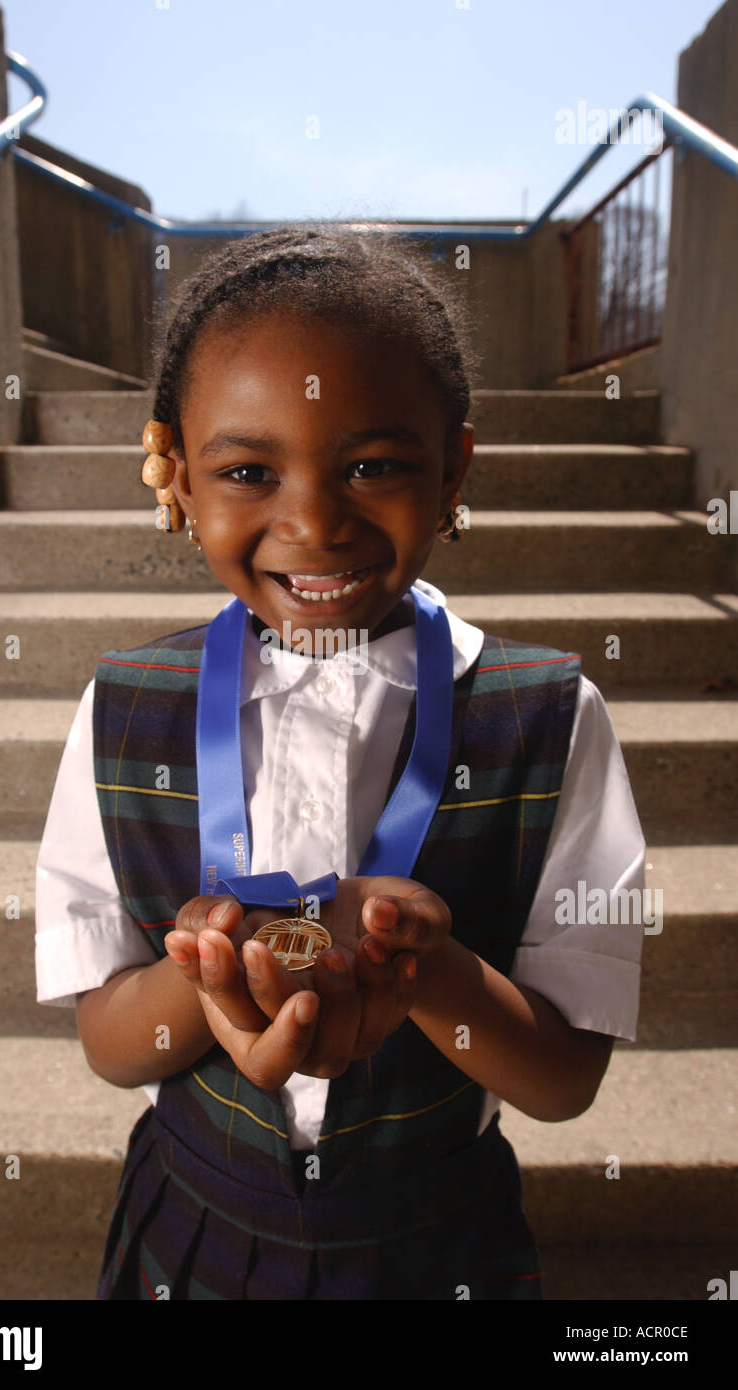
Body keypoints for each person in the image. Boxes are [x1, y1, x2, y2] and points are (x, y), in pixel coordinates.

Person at [35, 224, 646, 1301]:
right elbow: (109, 1043)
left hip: (435, 1246)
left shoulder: (550, 719)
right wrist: (216, 968)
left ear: (454, 465)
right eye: (247, 470)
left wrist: (423, 971)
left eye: (372, 464)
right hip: (192, 1230)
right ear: (174, 472)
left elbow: (561, 1082)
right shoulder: (123, 710)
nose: (313, 521)